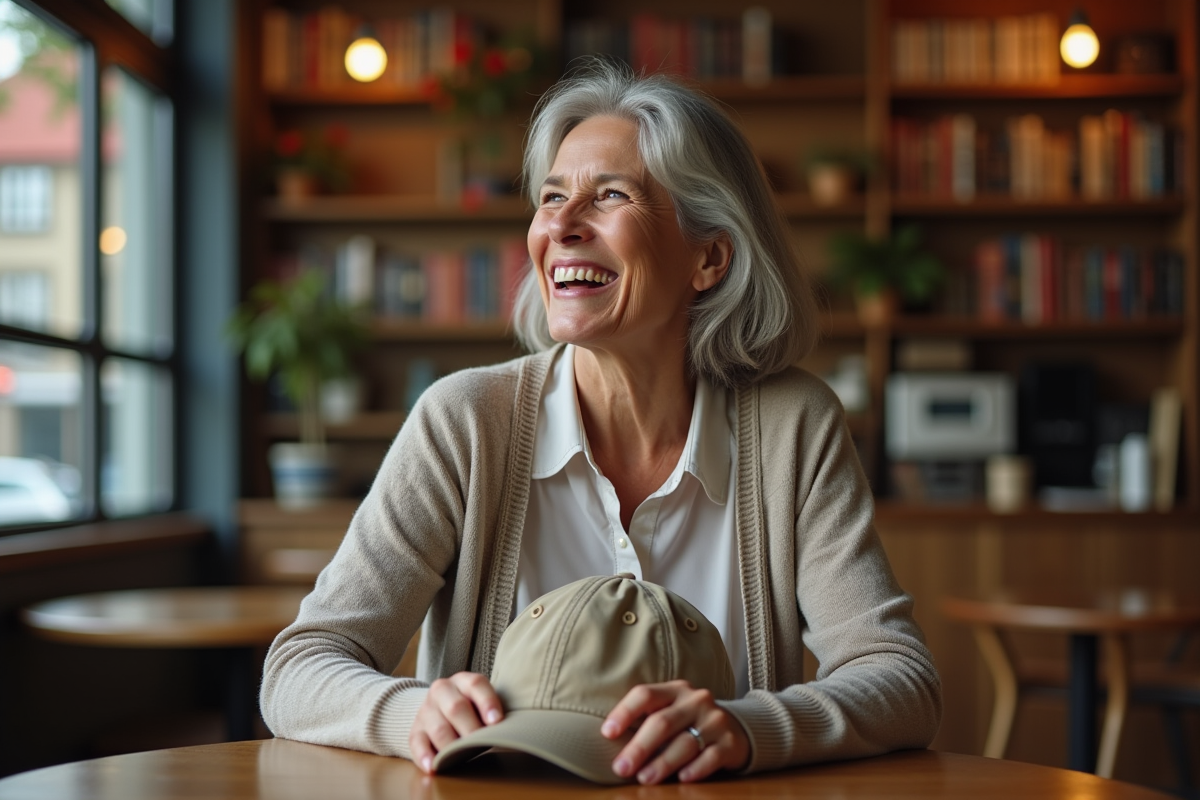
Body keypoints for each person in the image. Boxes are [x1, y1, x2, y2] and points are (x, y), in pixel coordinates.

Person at [260, 60, 941, 786]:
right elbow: (298, 668)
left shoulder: (793, 425)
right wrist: (413, 714)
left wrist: (751, 728)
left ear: (709, 257)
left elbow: (900, 678)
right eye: (552, 197)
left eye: (610, 195)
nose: (559, 226)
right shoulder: (464, 422)